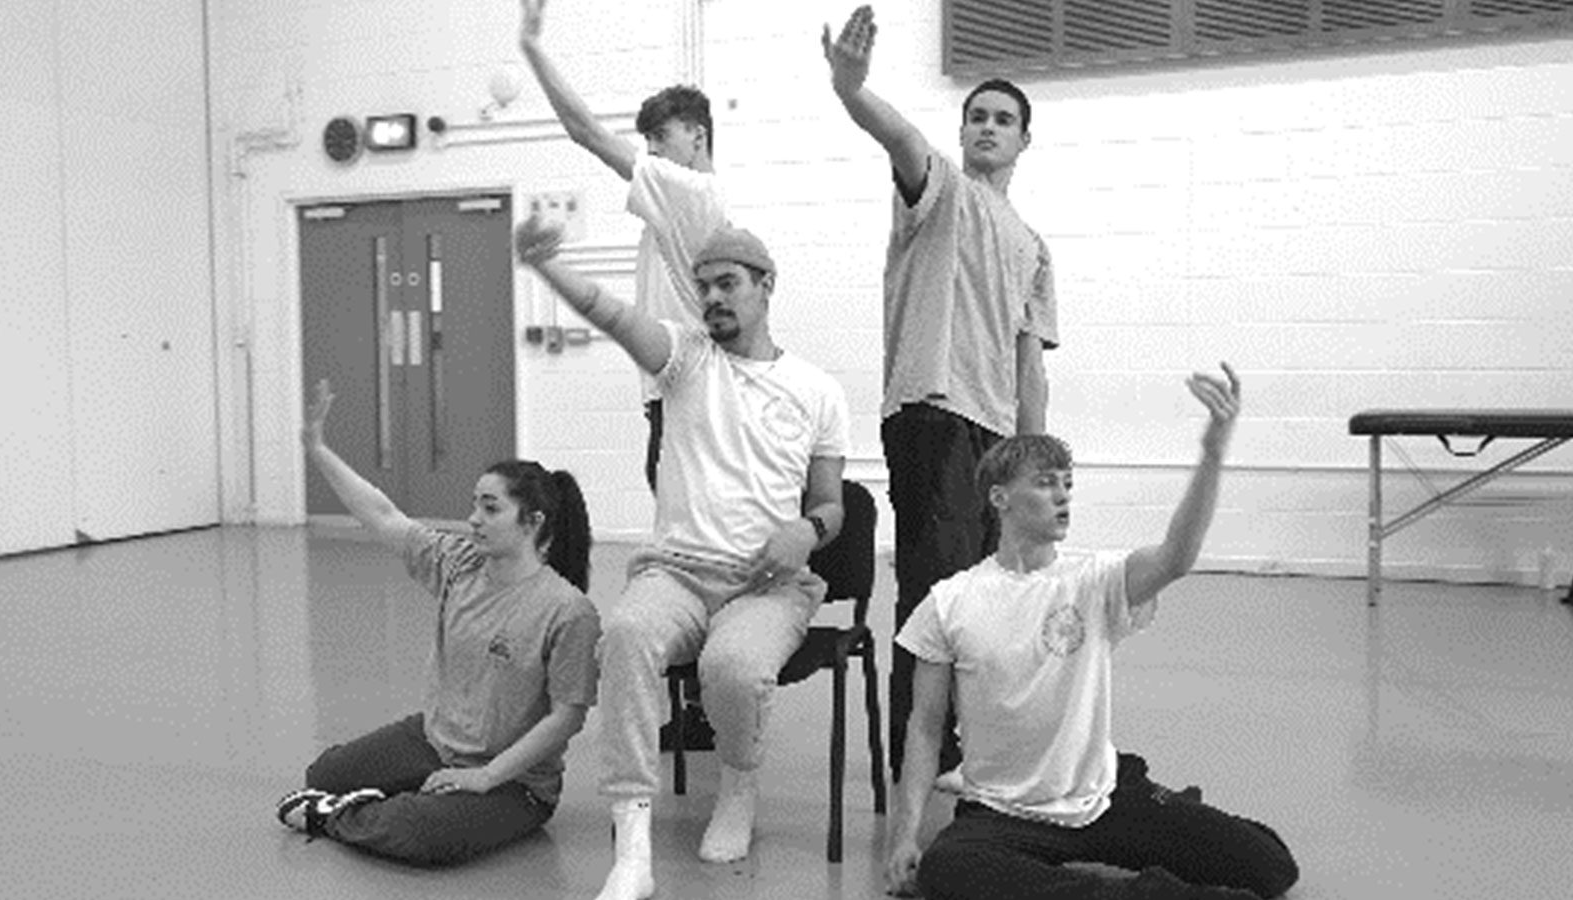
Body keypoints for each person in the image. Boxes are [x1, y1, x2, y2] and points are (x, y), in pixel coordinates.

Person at [515, 218, 850, 900]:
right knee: (628, 635)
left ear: (766, 287)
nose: (714, 298)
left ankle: (739, 784)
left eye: (728, 283)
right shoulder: (686, 358)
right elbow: (612, 315)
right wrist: (548, 268)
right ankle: (632, 843)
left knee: (732, 666)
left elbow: (832, 502)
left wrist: (808, 532)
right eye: (704, 287)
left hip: (767, 584)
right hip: (675, 570)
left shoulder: (818, 390)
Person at [884, 364, 1301, 899]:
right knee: (949, 869)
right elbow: (924, 727)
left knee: (1270, 867)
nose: (1062, 496)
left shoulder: (1093, 580)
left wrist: (1213, 453)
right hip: (1002, 812)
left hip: (1101, 798)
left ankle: (1161, 832)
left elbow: (1176, 557)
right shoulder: (950, 602)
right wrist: (904, 836)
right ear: (999, 499)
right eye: (1044, 483)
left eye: (1067, 484)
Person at [823, 5, 1058, 782]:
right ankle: (917, 759)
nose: (988, 127)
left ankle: (968, 744)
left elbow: (1031, 361)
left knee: (993, 599)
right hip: (931, 415)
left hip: (995, 434)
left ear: (1026, 140)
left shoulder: (1032, 245)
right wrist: (852, 89)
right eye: (977, 117)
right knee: (936, 593)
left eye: (1004, 120)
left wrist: (1037, 463)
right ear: (963, 134)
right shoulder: (942, 191)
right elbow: (898, 138)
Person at [275, 378, 600, 868]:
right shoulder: (459, 563)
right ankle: (362, 801)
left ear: (532, 522)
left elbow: (566, 718)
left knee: (417, 835)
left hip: (513, 784)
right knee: (324, 773)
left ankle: (339, 818)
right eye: (475, 504)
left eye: (490, 509)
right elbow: (382, 515)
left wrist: (486, 777)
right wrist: (317, 449)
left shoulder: (568, 610)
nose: (473, 518)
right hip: (434, 740)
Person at [520, 0, 731, 750]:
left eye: (658, 135)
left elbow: (581, 130)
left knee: (688, 552)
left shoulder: (690, 191)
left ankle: (707, 707)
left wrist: (532, 46)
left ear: (696, 138)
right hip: (676, 399)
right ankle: (703, 708)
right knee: (687, 547)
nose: (645, 148)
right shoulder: (678, 209)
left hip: (687, 402)